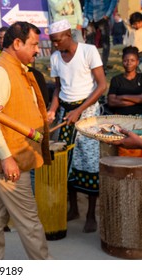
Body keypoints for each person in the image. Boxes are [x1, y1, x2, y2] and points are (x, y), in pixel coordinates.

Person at [0, 22, 52, 260]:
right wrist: (7, 157)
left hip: (10, 157)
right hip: (10, 161)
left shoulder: (18, 68)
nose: (37, 51)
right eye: (33, 45)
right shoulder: (0, 72)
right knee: (29, 221)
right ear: (17, 43)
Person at [47, 19, 107, 233]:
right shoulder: (55, 57)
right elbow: (57, 89)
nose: (54, 45)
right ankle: (74, 209)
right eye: (52, 41)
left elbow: (102, 85)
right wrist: (53, 110)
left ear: (68, 35)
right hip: (66, 114)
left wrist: (79, 110)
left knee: (90, 163)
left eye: (56, 41)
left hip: (87, 114)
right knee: (66, 163)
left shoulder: (88, 51)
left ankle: (91, 214)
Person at [107, 46, 142, 157]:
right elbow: (111, 102)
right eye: (126, 60)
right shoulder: (116, 80)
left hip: (140, 120)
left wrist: (122, 97)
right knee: (124, 154)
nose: (128, 63)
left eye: (132, 60)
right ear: (122, 61)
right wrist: (137, 99)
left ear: (137, 62)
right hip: (121, 121)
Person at [83, 0, 117, 70]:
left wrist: (108, 14)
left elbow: (113, 1)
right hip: (90, 17)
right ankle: (91, 64)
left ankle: (103, 65)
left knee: (105, 43)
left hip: (102, 16)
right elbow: (86, 2)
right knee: (89, 44)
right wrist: (85, 14)